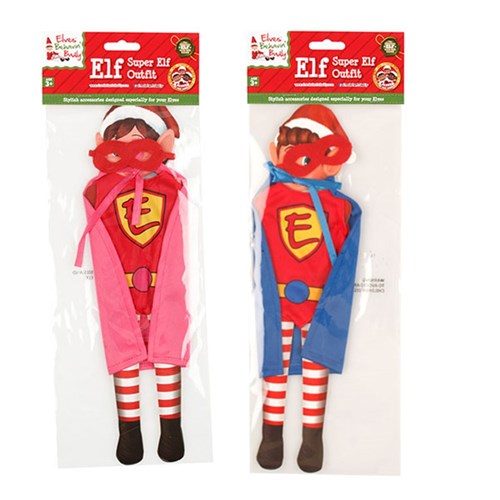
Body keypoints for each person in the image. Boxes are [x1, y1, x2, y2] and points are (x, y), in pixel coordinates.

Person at [76, 105, 189, 465]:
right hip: (119, 288)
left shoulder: (172, 184)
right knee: (123, 348)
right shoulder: (98, 190)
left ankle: (171, 429)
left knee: (167, 346)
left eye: (138, 141)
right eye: (119, 142)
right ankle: (129, 431)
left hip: (163, 285)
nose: (128, 149)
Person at [253, 104, 361, 472]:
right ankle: (271, 435)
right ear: (276, 153)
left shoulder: (340, 206)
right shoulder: (266, 198)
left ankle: (312, 439)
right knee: (275, 369)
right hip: (278, 302)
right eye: (292, 148)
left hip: (320, 305)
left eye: (312, 151)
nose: (301, 158)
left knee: (317, 368)